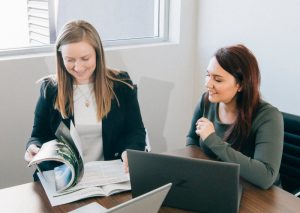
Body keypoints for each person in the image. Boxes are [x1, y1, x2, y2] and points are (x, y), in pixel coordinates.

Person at [24, 20, 146, 177]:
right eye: (70, 60)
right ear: (61, 58)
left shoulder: (121, 85)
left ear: (97, 54)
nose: (78, 67)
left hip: (109, 175)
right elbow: (38, 135)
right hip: (64, 177)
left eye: (85, 58)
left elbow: (135, 131)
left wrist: (129, 152)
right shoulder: (50, 89)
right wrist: (33, 147)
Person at [186, 44, 283, 189]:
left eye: (218, 80)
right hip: (221, 184)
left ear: (241, 85)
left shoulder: (269, 117)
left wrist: (213, 140)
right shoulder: (206, 101)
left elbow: (266, 177)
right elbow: (192, 140)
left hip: (259, 196)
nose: (208, 84)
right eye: (208, 75)